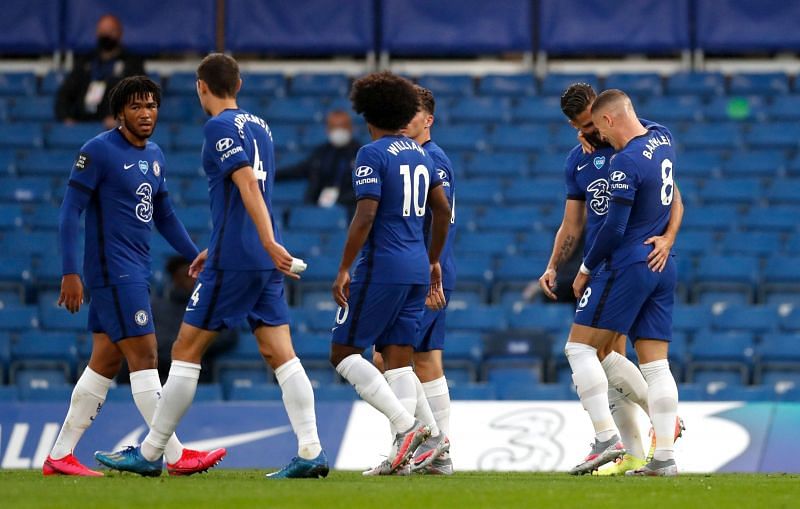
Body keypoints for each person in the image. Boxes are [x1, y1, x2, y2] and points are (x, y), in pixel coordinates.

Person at [95, 53, 327, 479]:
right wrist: (242, 244)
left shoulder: (218, 127)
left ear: (202, 86)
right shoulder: (261, 126)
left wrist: (263, 240)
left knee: (185, 350)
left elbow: (245, 184)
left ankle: (150, 453)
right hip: (254, 259)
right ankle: (311, 449)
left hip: (239, 258)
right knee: (280, 353)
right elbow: (250, 193)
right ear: (237, 86)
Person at [45, 76, 225, 477]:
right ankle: (174, 455)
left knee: (104, 362)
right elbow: (69, 211)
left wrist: (193, 253)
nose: (146, 114)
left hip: (134, 268)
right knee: (145, 355)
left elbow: (164, 214)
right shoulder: (98, 151)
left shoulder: (155, 155)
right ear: (120, 112)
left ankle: (59, 455)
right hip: (112, 271)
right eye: (136, 107)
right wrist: (70, 272)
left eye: (151, 106)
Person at [538, 84, 684, 475]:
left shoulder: (633, 146)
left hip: (618, 262)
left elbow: (671, 199)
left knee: (585, 351)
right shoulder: (582, 159)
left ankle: (612, 439)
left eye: (592, 125)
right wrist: (554, 264)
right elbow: (572, 222)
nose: (590, 134)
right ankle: (648, 451)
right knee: (613, 359)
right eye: (580, 128)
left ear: (603, 113)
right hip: (619, 263)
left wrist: (668, 238)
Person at [328, 71, 451, 476]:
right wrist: (433, 259)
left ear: (367, 113)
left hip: (382, 268)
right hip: (417, 267)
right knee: (399, 361)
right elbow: (443, 210)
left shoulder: (372, 153)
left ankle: (407, 426)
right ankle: (418, 449)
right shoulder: (420, 154)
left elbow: (365, 214)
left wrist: (345, 266)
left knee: (343, 353)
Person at [372, 85, 456, 475]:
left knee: (396, 358)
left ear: (429, 120)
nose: (407, 121)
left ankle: (420, 445)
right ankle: (435, 450)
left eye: (414, 114)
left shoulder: (431, 159)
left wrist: (430, 271)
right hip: (421, 268)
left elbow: (438, 219)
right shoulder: (415, 156)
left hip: (423, 270)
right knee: (422, 360)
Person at [152, 256, 238, 384]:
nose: (194, 279)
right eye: (188, 275)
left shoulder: (212, 307)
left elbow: (227, 335)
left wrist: (193, 347)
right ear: (175, 278)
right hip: (160, 372)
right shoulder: (156, 307)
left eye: (197, 275)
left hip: (199, 373)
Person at [55, 14, 145, 128]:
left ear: (120, 33)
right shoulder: (85, 62)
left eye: (110, 31)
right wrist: (66, 118)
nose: (106, 35)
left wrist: (121, 118)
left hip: (114, 128)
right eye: (102, 31)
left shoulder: (132, 63)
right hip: (82, 124)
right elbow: (65, 94)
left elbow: (140, 96)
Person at [276, 110, 360, 216]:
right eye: (334, 127)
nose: (338, 131)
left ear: (351, 128)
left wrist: (339, 199)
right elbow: (298, 170)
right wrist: (270, 173)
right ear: (327, 130)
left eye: (342, 127)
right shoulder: (321, 154)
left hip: (348, 212)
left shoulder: (361, 154)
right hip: (317, 208)